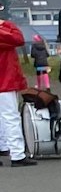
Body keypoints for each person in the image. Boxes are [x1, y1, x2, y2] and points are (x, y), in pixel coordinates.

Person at [0, 18, 29, 167]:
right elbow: (18, 39)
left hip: (6, 80)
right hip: (5, 81)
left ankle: (4, 146)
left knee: (4, 118)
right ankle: (17, 154)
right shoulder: (7, 27)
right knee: (11, 117)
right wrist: (5, 28)